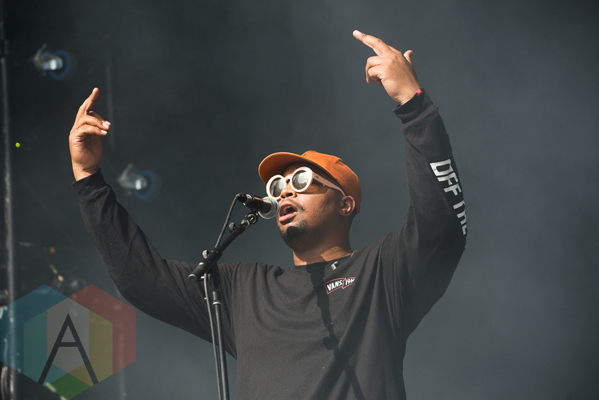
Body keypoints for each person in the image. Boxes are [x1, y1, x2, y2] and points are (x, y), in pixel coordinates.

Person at [69, 31, 467, 400]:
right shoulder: (245, 290)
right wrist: (88, 180)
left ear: (345, 204)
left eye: (302, 179)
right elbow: (140, 277)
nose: (285, 190)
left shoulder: (381, 274)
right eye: (277, 186)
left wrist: (413, 105)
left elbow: (440, 226)